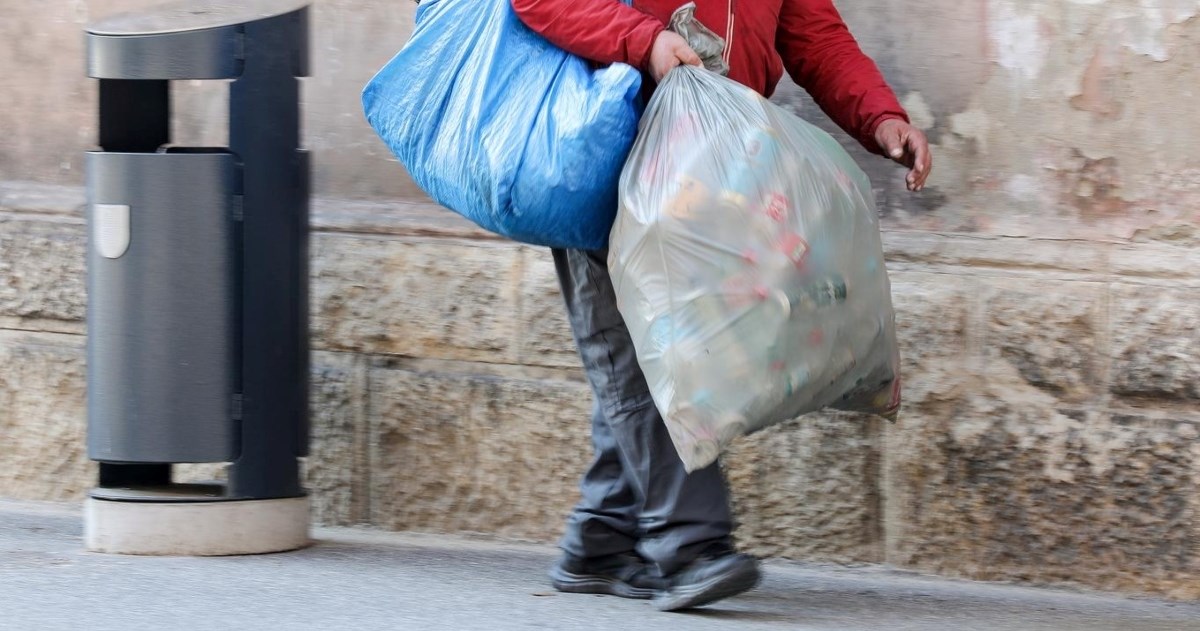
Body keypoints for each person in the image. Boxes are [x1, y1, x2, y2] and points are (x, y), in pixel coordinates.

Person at [510, 0, 932, 612]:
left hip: (707, 170)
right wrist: (644, 41)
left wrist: (882, 118)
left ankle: (600, 540)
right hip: (601, 157)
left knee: (653, 350)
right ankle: (691, 546)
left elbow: (814, 33)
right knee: (633, 353)